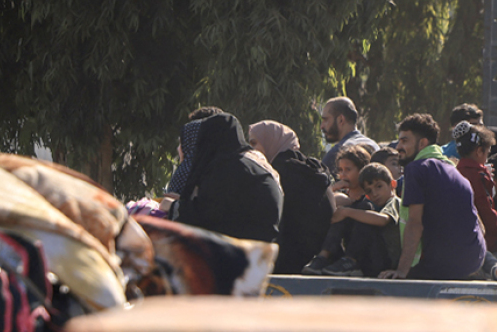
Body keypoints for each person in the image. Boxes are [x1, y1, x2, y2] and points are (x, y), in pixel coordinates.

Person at [380, 114, 486, 280]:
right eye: (399, 141)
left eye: (405, 141)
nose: (398, 147)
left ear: (422, 143)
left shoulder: (417, 168)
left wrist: (401, 271)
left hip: (443, 265)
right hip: (475, 260)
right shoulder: (453, 169)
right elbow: (481, 227)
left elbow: (414, 224)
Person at [171, 112, 283, 243]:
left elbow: (207, 215)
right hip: (263, 246)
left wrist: (174, 207)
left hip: (240, 246)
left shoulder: (227, 167)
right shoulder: (254, 163)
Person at [248, 120, 333, 274]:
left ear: (270, 141)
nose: (250, 150)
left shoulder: (279, 173)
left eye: (254, 143)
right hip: (317, 260)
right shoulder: (311, 168)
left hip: (289, 262)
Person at [304, 163, 401, 277]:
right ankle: (323, 256)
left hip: (386, 260)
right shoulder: (374, 204)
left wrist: (347, 212)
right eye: (369, 191)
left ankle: (351, 260)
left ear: (392, 184)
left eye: (379, 186)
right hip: (370, 255)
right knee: (348, 212)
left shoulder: (395, 202)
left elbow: (383, 220)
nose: (374, 193)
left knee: (361, 209)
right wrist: (344, 212)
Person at [452, 122, 497, 258]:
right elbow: (485, 211)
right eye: (487, 153)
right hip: (482, 242)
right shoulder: (478, 176)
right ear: (479, 151)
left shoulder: (455, 172)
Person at [319, 97, 378, 173]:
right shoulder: (375, 146)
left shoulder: (338, 152)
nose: (322, 126)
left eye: (326, 120)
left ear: (341, 120)